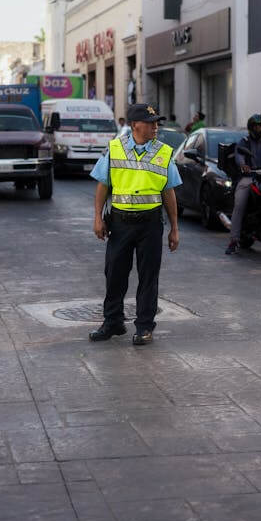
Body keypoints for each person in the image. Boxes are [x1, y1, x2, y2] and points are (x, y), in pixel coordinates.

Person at [89, 103, 181, 346]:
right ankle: (113, 322)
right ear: (135, 125)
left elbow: (169, 192)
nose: (156, 127)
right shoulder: (115, 149)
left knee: (148, 277)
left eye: (157, 122)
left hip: (150, 224)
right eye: (151, 123)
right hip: (120, 223)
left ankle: (144, 327)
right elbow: (102, 184)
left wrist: (174, 228)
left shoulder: (164, 152)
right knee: (114, 274)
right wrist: (98, 218)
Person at [225, 113, 261, 255]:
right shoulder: (244, 142)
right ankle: (234, 240)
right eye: (256, 126)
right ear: (251, 127)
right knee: (239, 205)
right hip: (249, 177)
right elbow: (239, 155)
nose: (259, 129)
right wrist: (243, 165)